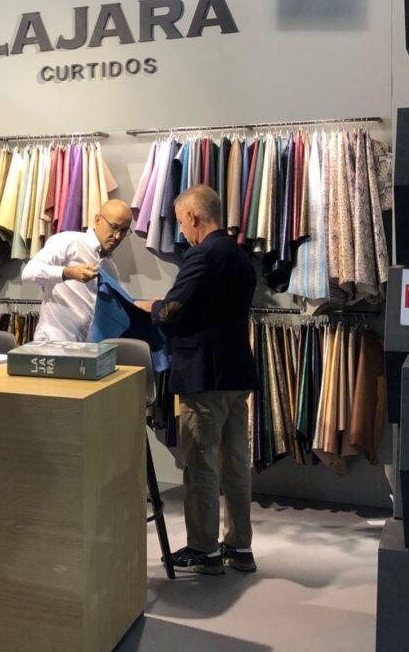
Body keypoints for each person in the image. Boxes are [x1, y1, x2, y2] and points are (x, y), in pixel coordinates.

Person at [136, 185, 258, 576]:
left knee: (201, 464)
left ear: (193, 216)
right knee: (235, 464)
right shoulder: (239, 255)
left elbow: (172, 310)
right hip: (236, 372)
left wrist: (149, 306)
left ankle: (204, 550)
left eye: (181, 222)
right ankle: (239, 546)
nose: (181, 231)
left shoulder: (202, 255)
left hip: (204, 375)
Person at [22, 199, 133, 343]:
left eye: (123, 231)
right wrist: (69, 273)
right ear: (97, 220)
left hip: (89, 349)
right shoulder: (69, 242)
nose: (117, 236)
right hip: (53, 345)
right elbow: (29, 272)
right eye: (113, 227)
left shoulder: (111, 269)